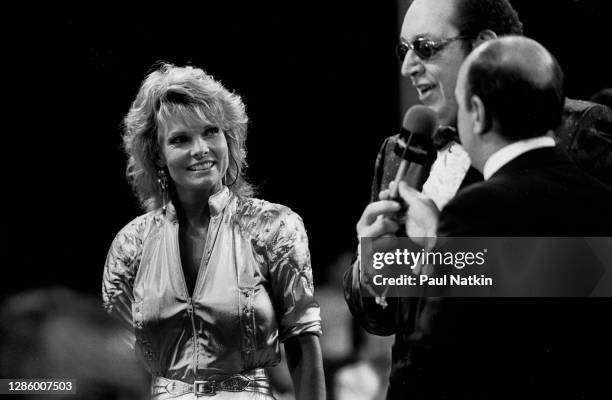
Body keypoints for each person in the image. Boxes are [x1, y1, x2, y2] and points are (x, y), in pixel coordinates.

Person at [345, 0, 612, 397]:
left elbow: (590, 272)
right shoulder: (399, 150)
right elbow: (387, 320)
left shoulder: (578, 131)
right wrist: (373, 269)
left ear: (483, 44)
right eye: (404, 50)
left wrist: (442, 249)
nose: (408, 67)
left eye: (425, 47)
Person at [102, 63, 324, 400]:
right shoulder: (130, 245)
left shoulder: (275, 227)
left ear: (228, 137)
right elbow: (112, 364)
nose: (200, 149)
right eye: (180, 139)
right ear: (157, 155)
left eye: (210, 132)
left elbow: (304, 345)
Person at [0, 287, 149, 400]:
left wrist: (16, 308)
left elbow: (64, 300)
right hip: (136, 379)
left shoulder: (54, 327)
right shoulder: (47, 381)